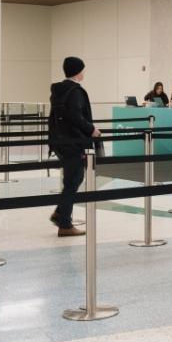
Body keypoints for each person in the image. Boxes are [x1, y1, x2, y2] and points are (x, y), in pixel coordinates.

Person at [48, 56, 101, 237]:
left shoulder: (59, 90)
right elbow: (76, 117)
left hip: (62, 141)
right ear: (78, 71)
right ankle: (65, 224)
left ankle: (60, 213)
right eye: (82, 69)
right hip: (74, 142)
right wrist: (91, 129)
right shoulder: (75, 91)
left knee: (72, 179)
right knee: (74, 180)